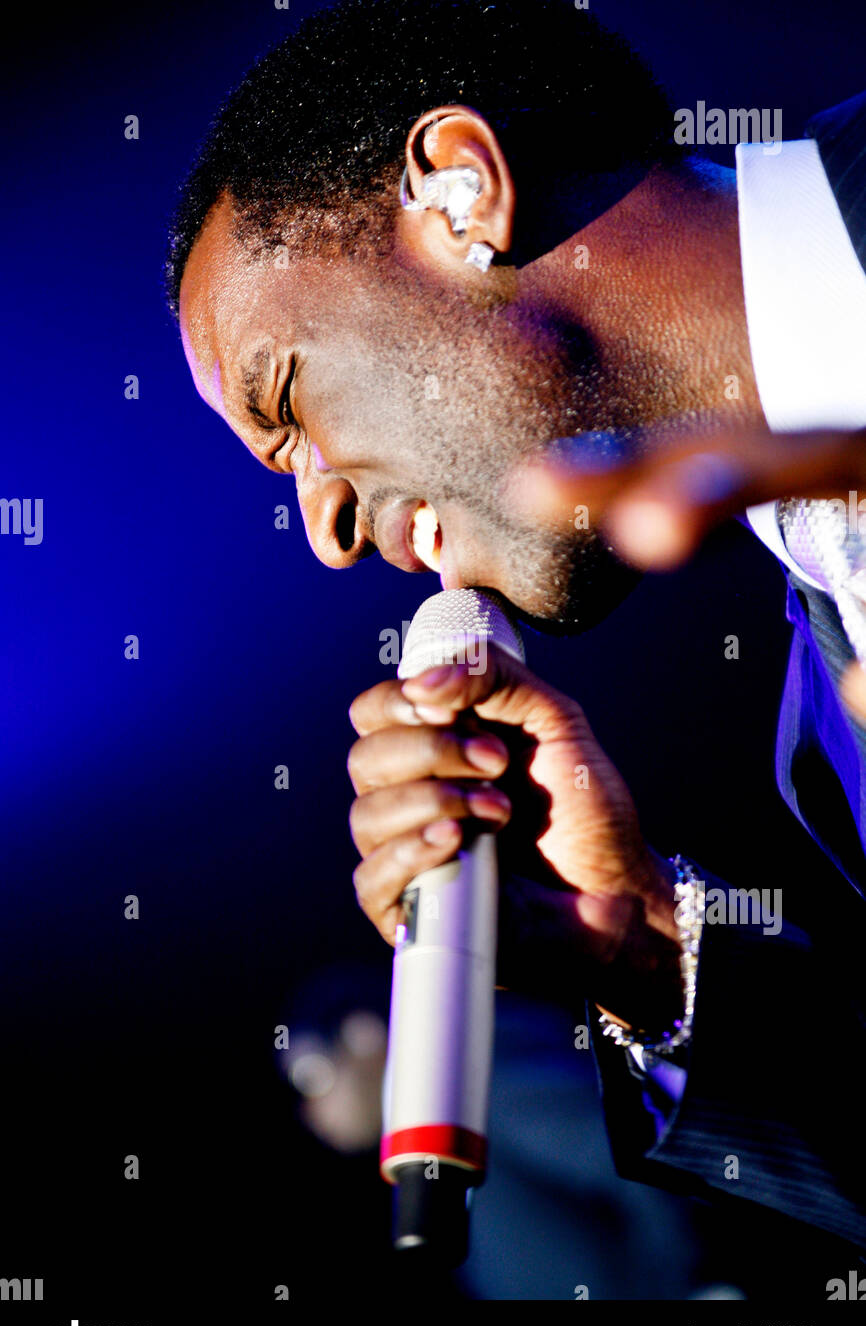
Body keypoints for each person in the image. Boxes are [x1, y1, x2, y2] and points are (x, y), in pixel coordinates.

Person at [167, 0, 866, 1251]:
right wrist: (643, 946)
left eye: (284, 401)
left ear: (457, 189)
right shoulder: (818, 725)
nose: (324, 527)